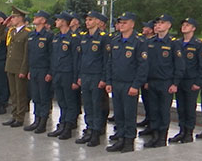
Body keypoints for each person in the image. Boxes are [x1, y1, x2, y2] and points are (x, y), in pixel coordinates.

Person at [105, 12, 149, 153]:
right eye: (120, 22)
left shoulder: (139, 42)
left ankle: (129, 141)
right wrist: (109, 81)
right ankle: (121, 139)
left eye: (125, 22)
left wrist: (136, 85)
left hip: (130, 84)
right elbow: (111, 62)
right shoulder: (116, 40)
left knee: (129, 114)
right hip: (117, 82)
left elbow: (143, 66)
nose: (122, 25)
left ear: (132, 24)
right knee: (118, 113)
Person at [142, 14, 185, 148]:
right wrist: (146, 80)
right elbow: (146, 64)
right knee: (153, 110)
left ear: (168, 26)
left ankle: (162, 137)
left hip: (166, 82)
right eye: (157, 23)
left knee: (163, 110)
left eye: (162, 23)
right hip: (152, 81)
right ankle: (154, 135)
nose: (158, 25)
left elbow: (179, 65)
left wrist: (175, 83)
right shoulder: (150, 42)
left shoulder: (174, 43)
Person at [75, 11, 110, 147]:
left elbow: (106, 60)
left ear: (97, 21)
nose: (87, 22)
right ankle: (89, 130)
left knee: (97, 105)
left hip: (96, 76)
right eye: (87, 19)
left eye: (90, 20)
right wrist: (79, 76)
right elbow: (81, 59)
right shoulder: (84, 38)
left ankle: (96, 132)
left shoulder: (103, 38)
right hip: (85, 75)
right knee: (88, 105)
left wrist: (103, 78)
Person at [170, 18, 202, 143]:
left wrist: (198, 82)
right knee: (181, 107)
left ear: (193, 28)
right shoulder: (177, 43)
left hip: (191, 81)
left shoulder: (198, 44)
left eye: (187, 25)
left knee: (190, 107)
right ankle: (182, 131)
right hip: (179, 80)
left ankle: (189, 133)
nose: (184, 27)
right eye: (183, 25)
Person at [46, 12, 80, 139]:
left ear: (65, 22)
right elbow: (53, 57)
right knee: (61, 101)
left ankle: (68, 127)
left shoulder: (74, 38)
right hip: (58, 73)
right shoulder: (56, 37)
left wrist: (75, 78)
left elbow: (76, 59)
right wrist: (52, 72)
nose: (56, 22)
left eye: (59, 20)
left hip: (68, 74)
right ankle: (62, 124)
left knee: (70, 102)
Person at [3, 8, 30, 126]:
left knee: (20, 94)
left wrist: (23, 70)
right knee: (13, 94)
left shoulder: (27, 33)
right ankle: (14, 115)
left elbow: (26, 54)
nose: (12, 19)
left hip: (19, 68)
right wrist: (3, 25)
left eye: (14, 17)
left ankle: (20, 117)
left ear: (20, 18)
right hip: (10, 66)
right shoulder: (12, 31)